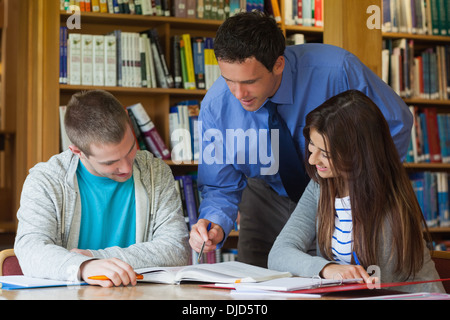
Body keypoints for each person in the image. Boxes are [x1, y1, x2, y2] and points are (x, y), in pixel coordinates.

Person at [189, 11, 413, 267]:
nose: (239, 94)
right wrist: (215, 222)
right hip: (265, 196)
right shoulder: (216, 107)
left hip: (337, 191)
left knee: (336, 280)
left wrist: (358, 185)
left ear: (278, 64)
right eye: (229, 80)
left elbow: (394, 123)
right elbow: (220, 187)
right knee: (255, 284)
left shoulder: (338, 71)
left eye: (250, 81)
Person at [268, 90, 444, 293]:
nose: (312, 160)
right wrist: (327, 269)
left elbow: (385, 288)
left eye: (325, 154)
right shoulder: (320, 186)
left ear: (357, 154)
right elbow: (279, 253)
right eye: (312, 147)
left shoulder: (390, 202)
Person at [14, 90, 190, 287]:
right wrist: (84, 267)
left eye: (131, 149)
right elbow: (30, 250)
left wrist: (95, 257)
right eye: (110, 162)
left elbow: (176, 250)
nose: (126, 167)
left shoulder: (154, 171)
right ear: (77, 151)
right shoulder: (46, 181)